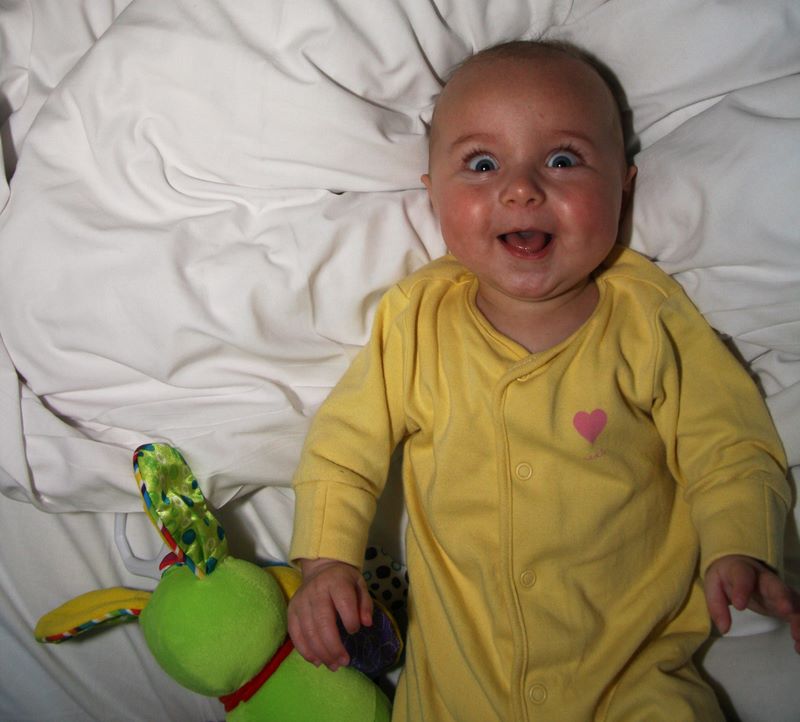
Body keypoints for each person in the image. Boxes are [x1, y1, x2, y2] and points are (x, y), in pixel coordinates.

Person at [286, 40, 800, 721]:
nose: (522, 187)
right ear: (432, 193)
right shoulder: (419, 321)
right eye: (482, 164)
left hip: (632, 681)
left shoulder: (648, 318)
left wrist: (741, 543)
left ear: (624, 184)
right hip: (457, 690)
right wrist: (326, 562)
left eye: (562, 160)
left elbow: (727, 443)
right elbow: (342, 446)